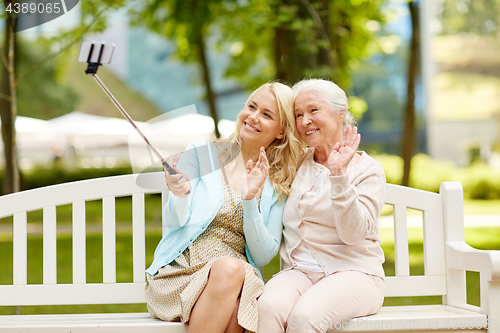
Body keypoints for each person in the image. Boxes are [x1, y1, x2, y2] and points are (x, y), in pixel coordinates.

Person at [145, 82, 302, 333]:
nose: (253, 116)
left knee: (234, 285)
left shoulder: (278, 182)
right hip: (182, 273)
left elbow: (262, 256)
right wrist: (180, 194)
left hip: (237, 278)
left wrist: (250, 201)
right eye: (251, 107)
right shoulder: (202, 153)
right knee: (233, 302)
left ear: (281, 131)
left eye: (266, 114)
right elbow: (174, 222)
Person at [257, 78, 386, 333]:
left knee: (304, 317)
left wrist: (338, 175)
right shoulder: (297, 162)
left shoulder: (367, 170)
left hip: (355, 274)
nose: (305, 121)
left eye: (314, 110)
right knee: (268, 306)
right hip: (300, 272)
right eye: (298, 114)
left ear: (341, 113)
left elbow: (353, 235)